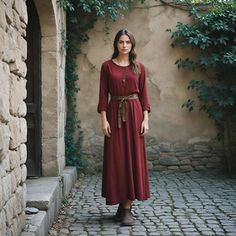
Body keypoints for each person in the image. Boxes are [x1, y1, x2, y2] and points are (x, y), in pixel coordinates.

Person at [97, 29, 151, 226]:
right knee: (117, 160)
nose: (124, 45)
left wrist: (145, 119)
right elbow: (103, 94)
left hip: (135, 115)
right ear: (116, 44)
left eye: (128, 42)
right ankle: (122, 206)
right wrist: (104, 119)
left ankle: (127, 208)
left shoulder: (139, 67)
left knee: (133, 159)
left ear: (132, 44)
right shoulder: (106, 67)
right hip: (114, 115)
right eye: (121, 41)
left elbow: (144, 94)